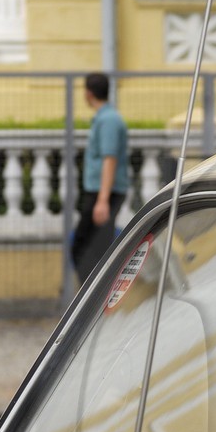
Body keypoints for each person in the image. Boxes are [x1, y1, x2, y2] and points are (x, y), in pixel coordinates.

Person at [70, 72, 130, 282]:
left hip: (104, 193)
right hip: (103, 192)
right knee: (94, 249)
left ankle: (94, 296)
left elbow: (109, 159)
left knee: (85, 248)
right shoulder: (105, 118)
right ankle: (95, 294)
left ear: (88, 93)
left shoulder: (108, 120)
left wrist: (102, 200)